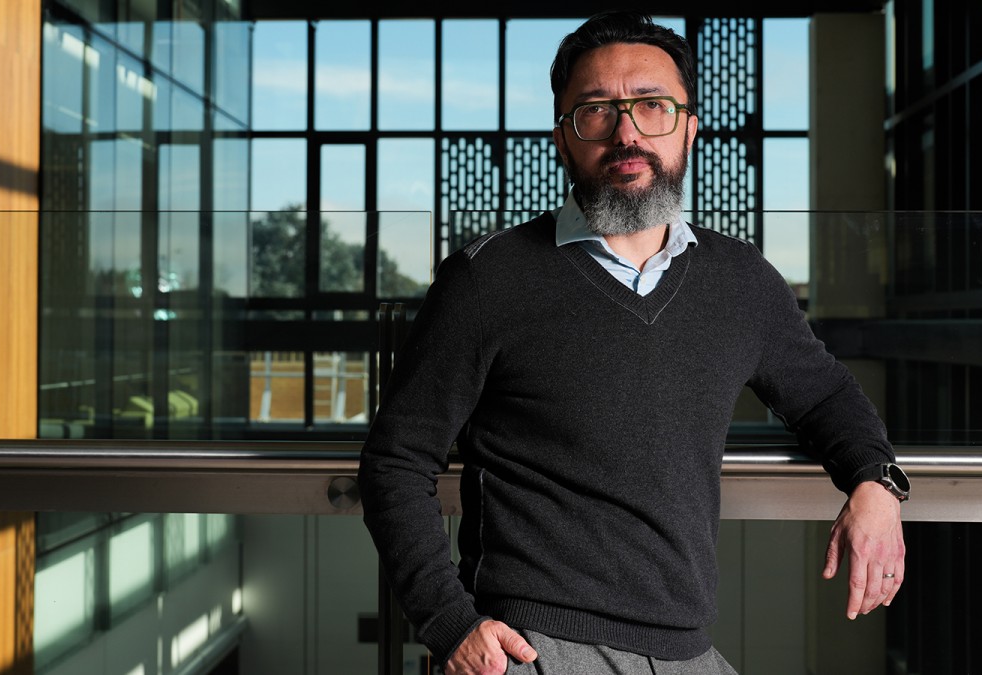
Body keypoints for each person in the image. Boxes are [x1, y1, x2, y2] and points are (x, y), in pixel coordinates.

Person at [358, 10, 907, 675]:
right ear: (563, 138)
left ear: (689, 130)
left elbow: (824, 396)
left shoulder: (741, 280)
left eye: (653, 106)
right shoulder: (487, 279)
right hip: (532, 645)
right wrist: (450, 625)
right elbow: (395, 462)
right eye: (596, 111)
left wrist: (877, 484)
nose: (627, 134)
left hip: (686, 648)